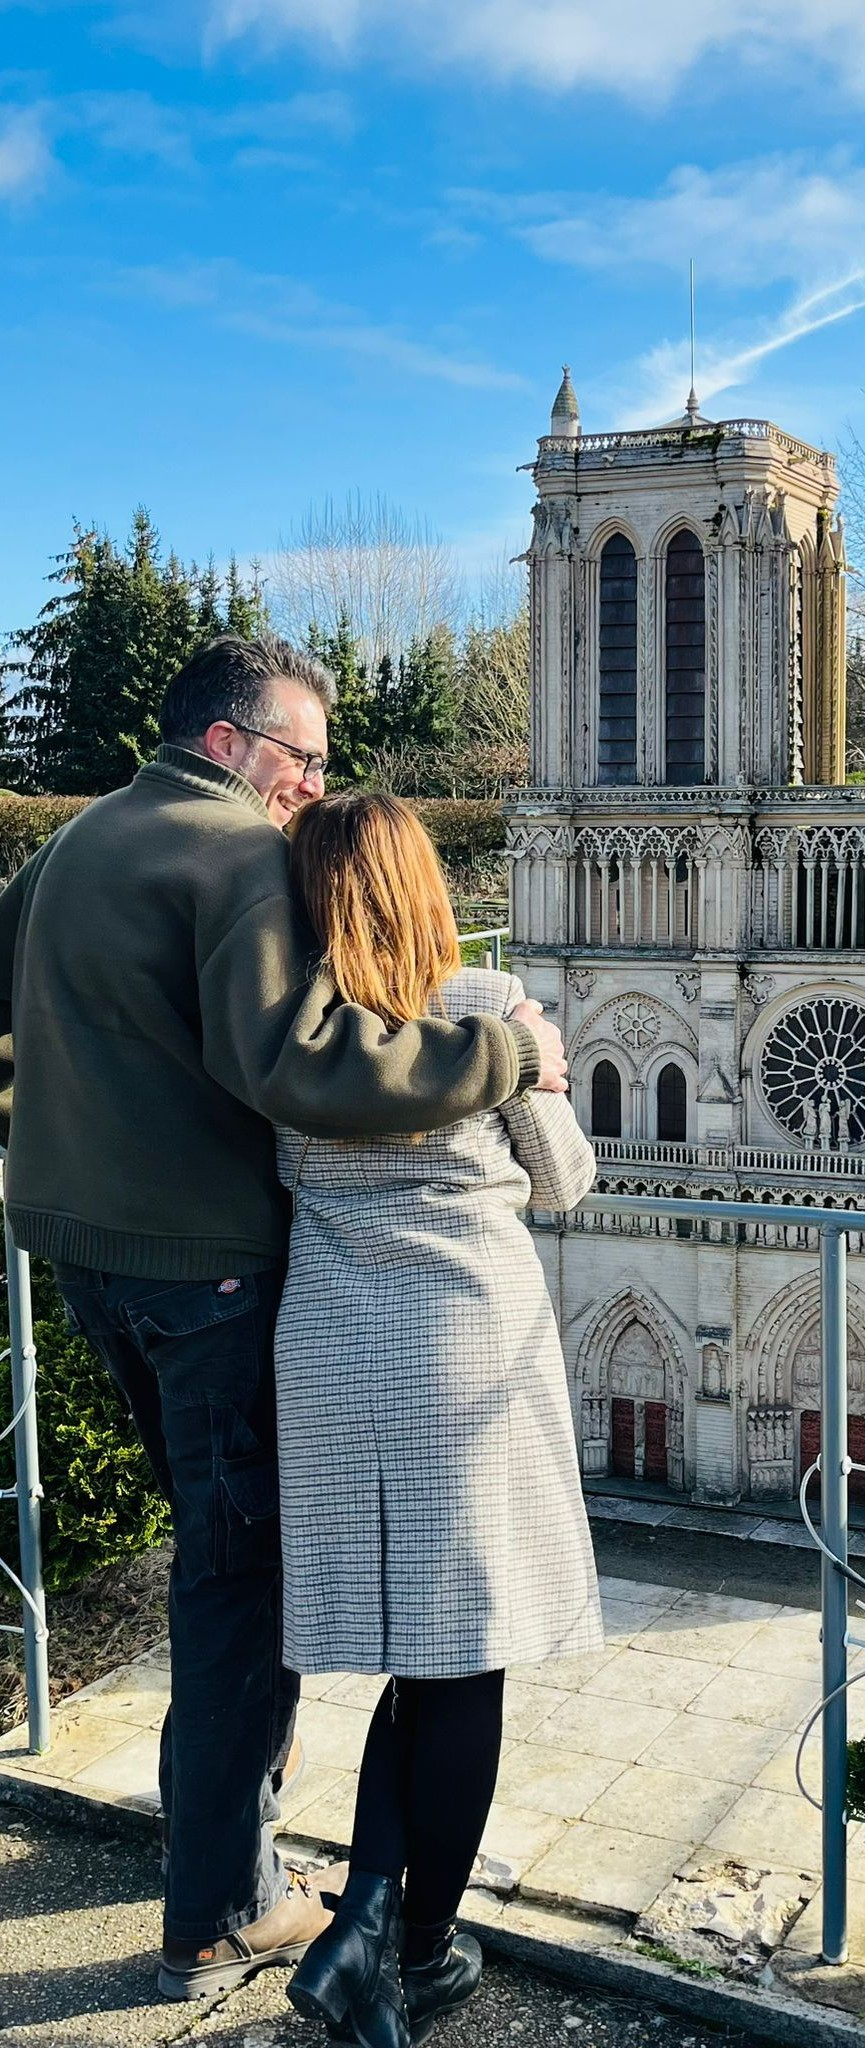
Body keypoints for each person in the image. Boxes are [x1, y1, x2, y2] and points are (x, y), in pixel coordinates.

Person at [0, 635, 567, 2001]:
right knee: (239, 1587)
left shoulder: (74, 846)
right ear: (227, 746)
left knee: (216, 1553)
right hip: (204, 1272)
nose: (312, 789)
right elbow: (305, 1065)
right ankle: (220, 1912)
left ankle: (234, 1839)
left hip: (82, 1254)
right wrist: (509, 1054)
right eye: (302, 760)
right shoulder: (235, 853)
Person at [274, 793, 601, 2048]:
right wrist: (542, 1060)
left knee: (420, 1649)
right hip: (462, 1351)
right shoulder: (484, 1005)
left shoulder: (293, 1034)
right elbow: (566, 1181)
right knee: (464, 1659)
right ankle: (409, 1949)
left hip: (328, 1346)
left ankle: (364, 1919)